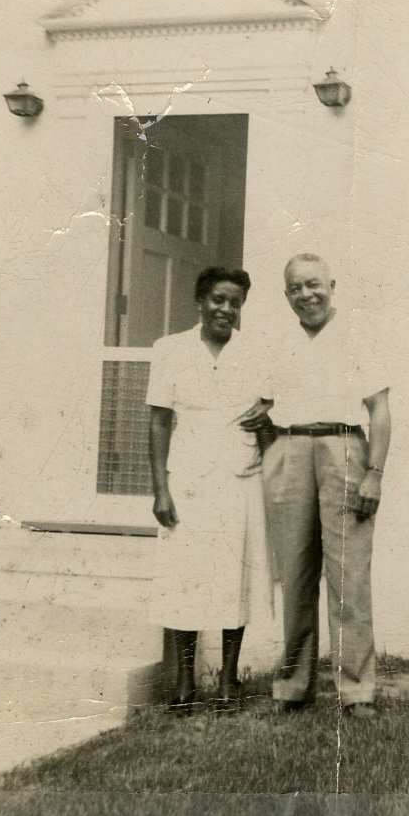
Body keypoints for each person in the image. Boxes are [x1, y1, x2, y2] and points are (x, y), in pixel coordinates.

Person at [243, 253, 391, 719]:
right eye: (294, 288)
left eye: (313, 284)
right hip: (289, 450)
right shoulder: (277, 339)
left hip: (343, 449)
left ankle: (357, 690)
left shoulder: (357, 334)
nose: (305, 295)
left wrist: (375, 472)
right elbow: (261, 404)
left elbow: (380, 412)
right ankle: (292, 686)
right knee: (296, 574)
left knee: (348, 574)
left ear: (331, 284)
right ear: (285, 294)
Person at [146, 266, 269, 713]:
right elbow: (159, 422)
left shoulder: (255, 353)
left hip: (239, 477)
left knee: (234, 579)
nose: (226, 309)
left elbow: (273, 406)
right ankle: (183, 683)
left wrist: (268, 414)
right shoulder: (170, 349)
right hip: (188, 481)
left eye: (235, 302)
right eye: (219, 299)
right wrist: (161, 489)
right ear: (200, 302)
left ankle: (228, 681)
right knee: (184, 577)